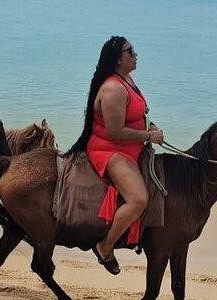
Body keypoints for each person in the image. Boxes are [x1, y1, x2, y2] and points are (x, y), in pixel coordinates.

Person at [67, 36, 163, 274]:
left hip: (129, 146)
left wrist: (148, 127)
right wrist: (148, 136)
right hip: (109, 149)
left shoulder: (127, 79)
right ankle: (105, 246)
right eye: (131, 51)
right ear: (119, 58)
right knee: (139, 198)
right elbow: (115, 131)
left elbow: (134, 116)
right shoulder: (113, 89)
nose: (136, 54)